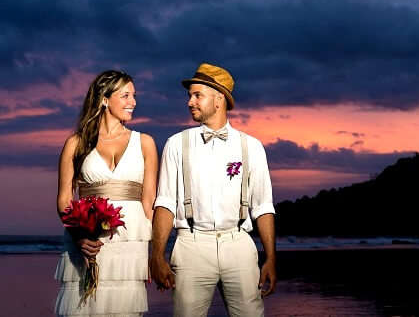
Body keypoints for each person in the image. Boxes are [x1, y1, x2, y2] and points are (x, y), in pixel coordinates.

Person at [150, 63, 277, 317]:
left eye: (197, 95)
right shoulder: (177, 144)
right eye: (190, 96)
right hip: (191, 246)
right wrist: (157, 255)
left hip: (239, 243)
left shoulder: (251, 146)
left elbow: (262, 206)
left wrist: (271, 257)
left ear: (219, 99)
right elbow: (164, 202)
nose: (190, 102)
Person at [55, 70, 158, 317]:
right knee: (83, 307)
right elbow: (64, 199)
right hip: (88, 243)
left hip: (130, 244)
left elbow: (149, 203)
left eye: (134, 96)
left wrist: (152, 255)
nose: (133, 102)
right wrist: (80, 237)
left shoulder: (145, 143)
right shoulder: (76, 143)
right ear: (104, 98)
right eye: (125, 95)